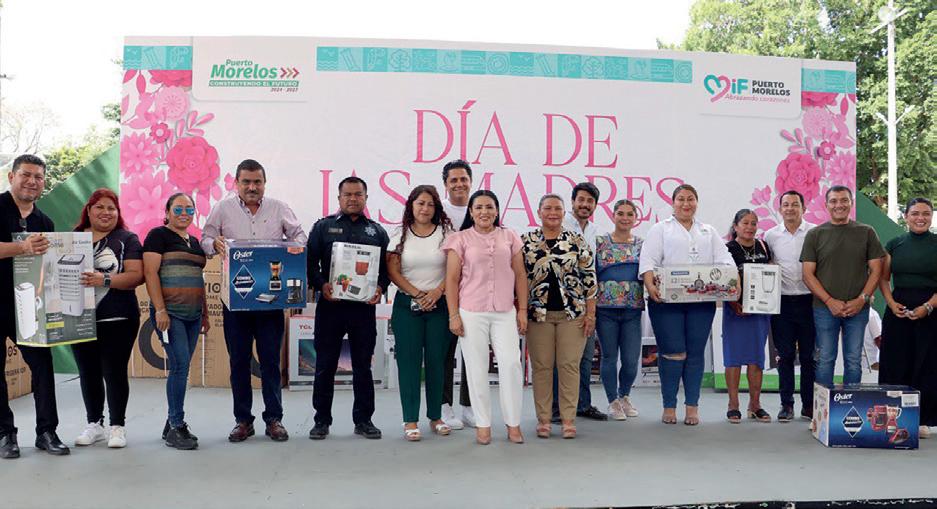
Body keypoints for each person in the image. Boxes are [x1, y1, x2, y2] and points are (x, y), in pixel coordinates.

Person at [201, 159, 307, 443]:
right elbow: (205, 238)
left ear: (264, 184)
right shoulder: (222, 209)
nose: (252, 187)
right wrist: (215, 244)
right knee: (238, 362)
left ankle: (274, 419)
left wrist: (291, 248)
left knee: (270, 361)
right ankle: (243, 421)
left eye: (257, 182)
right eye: (246, 182)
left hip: (270, 300)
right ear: (236, 183)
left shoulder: (279, 208)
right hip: (235, 301)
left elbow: (300, 237)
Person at [639, 184, 735, 425]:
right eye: (681, 199)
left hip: (700, 303)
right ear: (673, 203)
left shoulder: (708, 231)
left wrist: (728, 283)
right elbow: (648, 262)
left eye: (690, 199)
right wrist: (650, 286)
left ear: (696, 202)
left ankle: (692, 406)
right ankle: (669, 405)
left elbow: (726, 261)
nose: (686, 203)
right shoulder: (660, 229)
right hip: (665, 303)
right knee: (673, 353)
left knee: (694, 353)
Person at [306, 176, 389, 440]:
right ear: (339, 198)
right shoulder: (323, 227)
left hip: (363, 310)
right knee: (325, 365)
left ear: (366, 198)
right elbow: (310, 264)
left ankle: (364, 420)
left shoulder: (377, 232)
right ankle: (321, 420)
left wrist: (380, 287)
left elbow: (387, 270)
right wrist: (322, 285)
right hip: (330, 307)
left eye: (358, 194)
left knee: (363, 366)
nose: (353, 199)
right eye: (348, 195)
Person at [443, 190, 528, 445]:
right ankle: (483, 424)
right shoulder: (459, 239)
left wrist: (522, 310)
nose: (484, 212)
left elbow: (520, 275)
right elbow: (451, 280)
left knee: (511, 365)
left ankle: (513, 423)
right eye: (478, 207)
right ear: (471, 212)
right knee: (476, 368)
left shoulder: (510, 236)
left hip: (504, 311)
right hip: (471, 312)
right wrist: (453, 315)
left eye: (489, 207)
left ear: (497, 210)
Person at [0, 154, 69, 458]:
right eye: (26, 175)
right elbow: (23, 249)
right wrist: (22, 247)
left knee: (42, 366)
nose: (32, 181)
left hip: (30, 305)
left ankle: (47, 431)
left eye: (38, 177)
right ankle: (5, 434)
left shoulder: (45, 221)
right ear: (11, 177)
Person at [71, 189, 144, 448]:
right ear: (88, 210)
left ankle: (117, 426)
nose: (106, 212)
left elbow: (136, 276)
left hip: (118, 317)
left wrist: (104, 279)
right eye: (99, 207)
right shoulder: (72, 239)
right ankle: (94, 424)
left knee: (114, 371)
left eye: (111, 208)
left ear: (118, 213)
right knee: (87, 371)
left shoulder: (127, 239)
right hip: (78, 317)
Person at [522, 194, 596, 439]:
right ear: (539, 212)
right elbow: (518, 277)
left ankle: (568, 420)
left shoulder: (576, 240)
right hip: (537, 314)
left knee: (569, 366)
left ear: (564, 213)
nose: (552, 212)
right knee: (541, 367)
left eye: (557, 208)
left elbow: (590, 278)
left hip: (573, 315)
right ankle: (543, 419)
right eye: (547, 208)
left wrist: (591, 314)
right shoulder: (526, 241)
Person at [143, 193, 210, 450]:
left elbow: (198, 279)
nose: (184, 214)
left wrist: (205, 313)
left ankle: (170, 422)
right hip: (170, 314)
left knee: (182, 366)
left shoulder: (195, 242)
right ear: (167, 211)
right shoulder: (158, 236)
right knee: (180, 365)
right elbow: (150, 273)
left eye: (189, 210)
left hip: (193, 315)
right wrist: (160, 310)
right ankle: (176, 426)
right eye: (178, 209)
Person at [387, 185, 454, 441]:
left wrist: (436, 292)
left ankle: (436, 416)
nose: (425, 209)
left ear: (436, 208)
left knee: (437, 361)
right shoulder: (399, 234)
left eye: (430, 204)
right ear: (411, 206)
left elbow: (454, 270)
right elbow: (393, 271)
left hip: (439, 305)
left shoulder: (447, 234)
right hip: (407, 306)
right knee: (409, 363)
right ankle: (410, 419)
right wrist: (417, 294)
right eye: (420, 203)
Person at [801, 185, 885, 386]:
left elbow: (877, 270)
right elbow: (807, 275)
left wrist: (861, 300)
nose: (839, 205)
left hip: (858, 309)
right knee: (824, 360)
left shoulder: (867, 232)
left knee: (854, 361)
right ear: (826, 205)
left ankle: (850, 403)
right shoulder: (815, 234)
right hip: (824, 309)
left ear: (851, 203)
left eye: (844, 200)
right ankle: (823, 405)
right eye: (834, 201)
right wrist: (830, 301)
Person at [878, 197, 936, 439]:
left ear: (931, 216)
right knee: (896, 361)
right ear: (906, 217)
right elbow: (883, 278)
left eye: (925, 213)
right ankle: (893, 417)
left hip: (931, 308)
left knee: (927, 364)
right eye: (915, 213)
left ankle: (923, 420)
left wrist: (928, 306)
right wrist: (891, 304)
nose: (920, 218)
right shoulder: (895, 244)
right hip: (898, 308)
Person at [764, 190, 816, 422]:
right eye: (786, 204)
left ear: (803, 208)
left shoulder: (815, 232)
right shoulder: (770, 235)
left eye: (795, 204)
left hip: (809, 300)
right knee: (784, 356)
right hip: (782, 302)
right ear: (780, 208)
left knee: (808, 357)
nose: (790, 208)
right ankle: (786, 404)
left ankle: (808, 405)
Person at [559, 181, 607, 421]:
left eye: (590, 201)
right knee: (563, 359)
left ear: (595, 205)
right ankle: (557, 409)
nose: (585, 205)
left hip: (586, 301)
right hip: (561, 301)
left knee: (586, 357)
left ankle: (582, 405)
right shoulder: (560, 223)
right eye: (581, 200)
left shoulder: (594, 231)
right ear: (573, 201)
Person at [595, 200, 644, 421]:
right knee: (609, 357)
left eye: (629, 214)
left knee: (631, 359)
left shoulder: (643, 244)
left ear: (635, 218)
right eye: (620, 213)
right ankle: (612, 401)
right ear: (613, 215)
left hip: (632, 310)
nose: (625, 218)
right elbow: (592, 273)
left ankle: (624, 395)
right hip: (605, 310)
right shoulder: (600, 243)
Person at [722, 209, 773, 424]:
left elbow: (771, 274)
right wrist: (734, 303)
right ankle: (733, 405)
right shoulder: (727, 249)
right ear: (736, 226)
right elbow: (723, 280)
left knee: (756, 358)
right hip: (736, 311)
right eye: (745, 223)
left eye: (753, 223)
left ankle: (755, 405)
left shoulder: (763, 246)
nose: (750, 227)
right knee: (733, 358)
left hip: (760, 311)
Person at [439, 159, 473, 429]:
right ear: (445, 184)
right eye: (454, 180)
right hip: (444, 293)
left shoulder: (480, 208)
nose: (459, 184)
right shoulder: (438, 212)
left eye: (464, 179)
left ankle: (469, 407)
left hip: (474, 295)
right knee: (444, 354)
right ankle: (444, 406)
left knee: (473, 353)